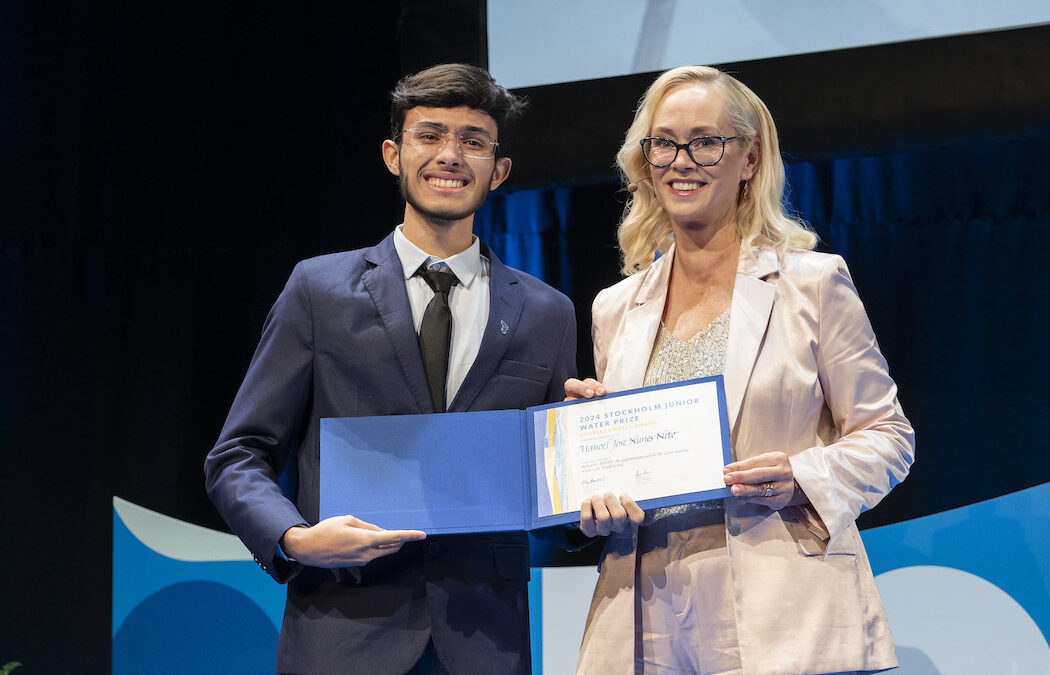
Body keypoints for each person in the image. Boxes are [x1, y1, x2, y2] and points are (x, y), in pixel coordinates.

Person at [204, 63, 577, 675]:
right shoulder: (319, 290)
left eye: (473, 142)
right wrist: (295, 538)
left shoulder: (546, 312)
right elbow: (238, 453)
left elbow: (554, 494)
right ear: (393, 155)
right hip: (341, 632)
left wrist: (590, 492)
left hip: (484, 644)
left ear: (499, 171)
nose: (450, 156)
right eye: (429, 136)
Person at [565, 65, 915, 674]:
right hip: (646, 614)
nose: (682, 160)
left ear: (749, 158)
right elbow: (617, 471)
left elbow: (890, 438)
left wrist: (803, 474)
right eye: (664, 143)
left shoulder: (813, 284)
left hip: (782, 605)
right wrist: (584, 465)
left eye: (705, 141)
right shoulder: (615, 307)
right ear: (645, 162)